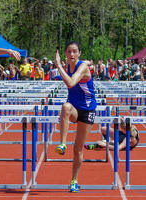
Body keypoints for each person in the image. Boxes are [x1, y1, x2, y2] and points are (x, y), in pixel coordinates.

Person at [54, 41, 97, 193]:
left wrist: (58, 65)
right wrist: (62, 65)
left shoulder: (82, 67)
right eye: (69, 52)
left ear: (79, 53)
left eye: (74, 52)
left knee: (78, 149)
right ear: (66, 53)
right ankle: (62, 144)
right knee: (65, 107)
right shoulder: (68, 65)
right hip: (73, 108)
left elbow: (71, 83)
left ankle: (74, 180)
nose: (71, 54)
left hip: (87, 110)